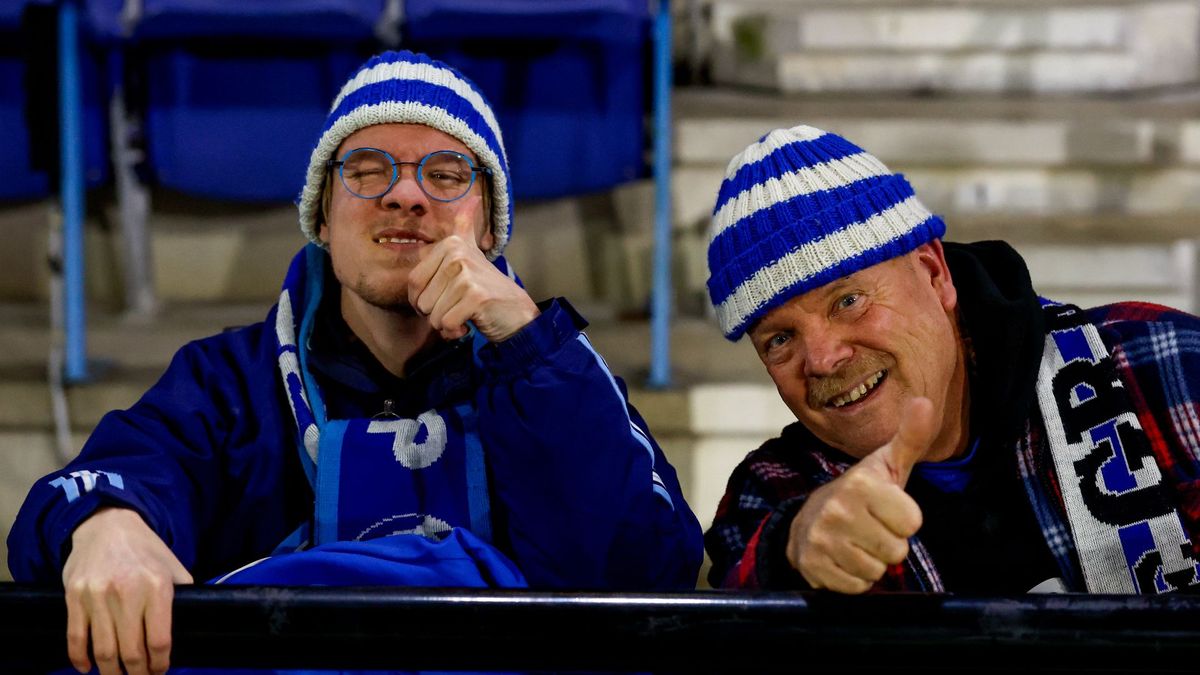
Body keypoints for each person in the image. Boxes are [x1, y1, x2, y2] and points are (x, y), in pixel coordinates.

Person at [8, 50, 703, 675]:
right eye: (367, 172)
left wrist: (524, 338)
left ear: (490, 228)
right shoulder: (227, 382)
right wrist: (107, 523)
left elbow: (651, 568)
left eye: (448, 173)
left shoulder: (555, 374)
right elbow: (118, 474)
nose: (406, 195)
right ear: (321, 217)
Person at [702, 124, 1200, 596]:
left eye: (848, 300)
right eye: (780, 339)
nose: (824, 359)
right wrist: (793, 553)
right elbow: (735, 616)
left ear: (934, 273)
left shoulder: (1164, 368)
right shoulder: (770, 495)